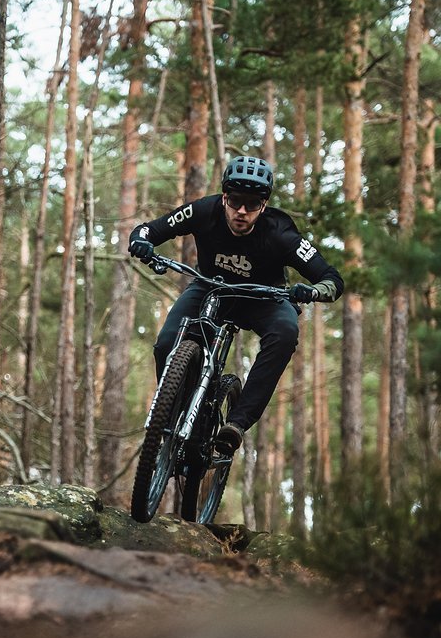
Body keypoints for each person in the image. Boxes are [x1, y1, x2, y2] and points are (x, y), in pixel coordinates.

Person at [127, 155, 344, 454]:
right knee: (166, 343)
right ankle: (175, 413)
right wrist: (142, 242)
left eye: (252, 204)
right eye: (235, 201)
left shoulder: (281, 233)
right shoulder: (204, 210)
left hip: (264, 297)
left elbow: (332, 279)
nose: (242, 211)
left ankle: (237, 423)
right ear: (224, 196)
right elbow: (149, 229)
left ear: (264, 205)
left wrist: (313, 291)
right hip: (210, 287)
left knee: (284, 331)